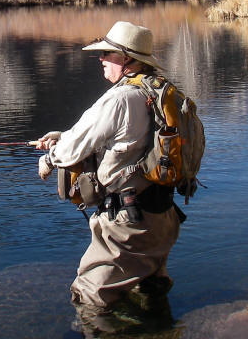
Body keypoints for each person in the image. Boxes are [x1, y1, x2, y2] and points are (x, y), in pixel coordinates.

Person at [35, 21, 181, 332]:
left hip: (128, 224)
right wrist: (62, 136)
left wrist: (49, 157)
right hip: (163, 217)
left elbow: (74, 149)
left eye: (107, 54)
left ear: (128, 59)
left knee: (89, 297)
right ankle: (162, 329)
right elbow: (123, 138)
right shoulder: (158, 89)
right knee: (149, 288)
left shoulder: (119, 98)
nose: (101, 59)